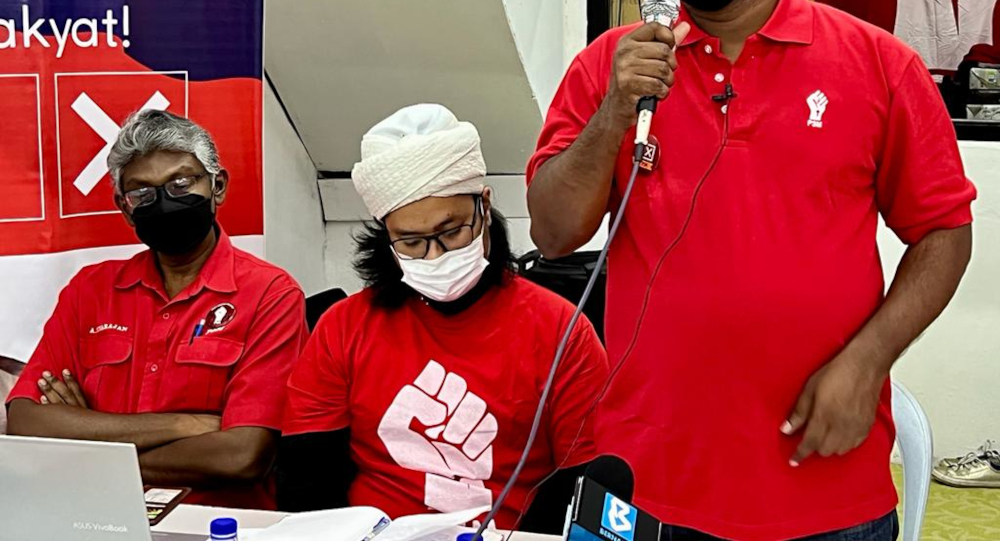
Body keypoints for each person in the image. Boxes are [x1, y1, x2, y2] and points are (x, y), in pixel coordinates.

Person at [527, 0, 974, 541]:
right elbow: (553, 230)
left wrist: (867, 363)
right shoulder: (610, 66)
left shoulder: (877, 65)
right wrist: (615, 109)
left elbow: (943, 234)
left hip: (825, 476)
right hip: (654, 476)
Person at [279, 104, 609, 531]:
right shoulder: (343, 328)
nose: (435, 256)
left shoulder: (561, 330)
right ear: (387, 236)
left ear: (484, 207)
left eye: (452, 231)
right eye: (412, 242)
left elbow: (581, 484)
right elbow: (307, 480)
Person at [6, 110, 307, 509]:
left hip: (212, 524)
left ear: (217, 186)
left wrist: (88, 445)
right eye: (142, 193)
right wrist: (186, 424)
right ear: (124, 206)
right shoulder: (90, 290)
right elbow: (29, 423)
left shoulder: (270, 293)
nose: (164, 202)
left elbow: (242, 456)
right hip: (92, 514)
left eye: (182, 183)